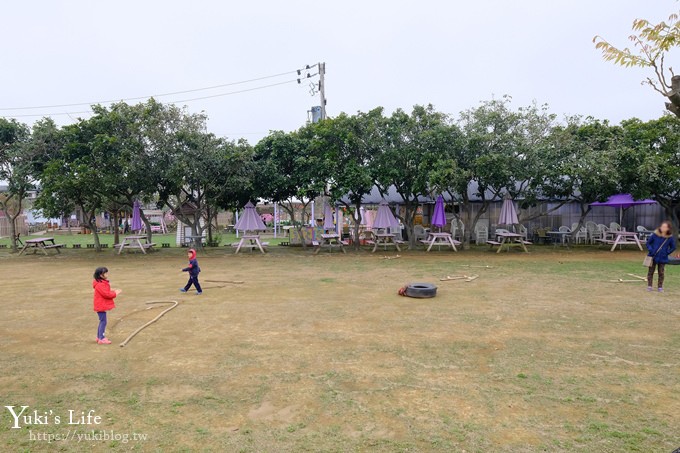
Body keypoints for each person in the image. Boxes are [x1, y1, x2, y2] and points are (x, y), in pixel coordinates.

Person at [93, 267, 122, 344]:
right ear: (101, 275)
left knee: (102, 321)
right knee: (103, 321)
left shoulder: (102, 283)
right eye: (105, 273)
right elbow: (107, 294)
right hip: (100, 306)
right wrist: (115, 293)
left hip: (101, 305)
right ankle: (101, 338)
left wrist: (113, 291)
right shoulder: (100, 285)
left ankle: (99, 337)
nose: (107, 274)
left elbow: (106, 291)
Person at [646, 220, 676, 292]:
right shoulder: (655, 235)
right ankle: (649, 286)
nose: (663, 228)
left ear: (668, 228)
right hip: (653, 256)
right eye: (662, 226)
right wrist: (651, 250)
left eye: (665, 227)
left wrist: (666, 252)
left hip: (663, 257)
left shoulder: (669, 238)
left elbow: (673, 247)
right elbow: (648, 243)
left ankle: (660, 287)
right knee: (650, 271)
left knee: (661, 272)